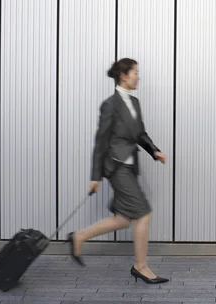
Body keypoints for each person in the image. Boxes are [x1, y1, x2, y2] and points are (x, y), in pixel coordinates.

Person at [67, 58, 169, 284]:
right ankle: (140, 267)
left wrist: (155, 151)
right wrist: (95, 177)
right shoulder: (110, 104)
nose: (138, 77)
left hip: (130, 166)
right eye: (136, 72)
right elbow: (100, 141)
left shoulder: (135, 102)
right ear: (124, 75)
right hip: (116, 166)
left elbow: (140, 133)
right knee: (143, 213)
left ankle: (78, 237)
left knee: (124, 219)